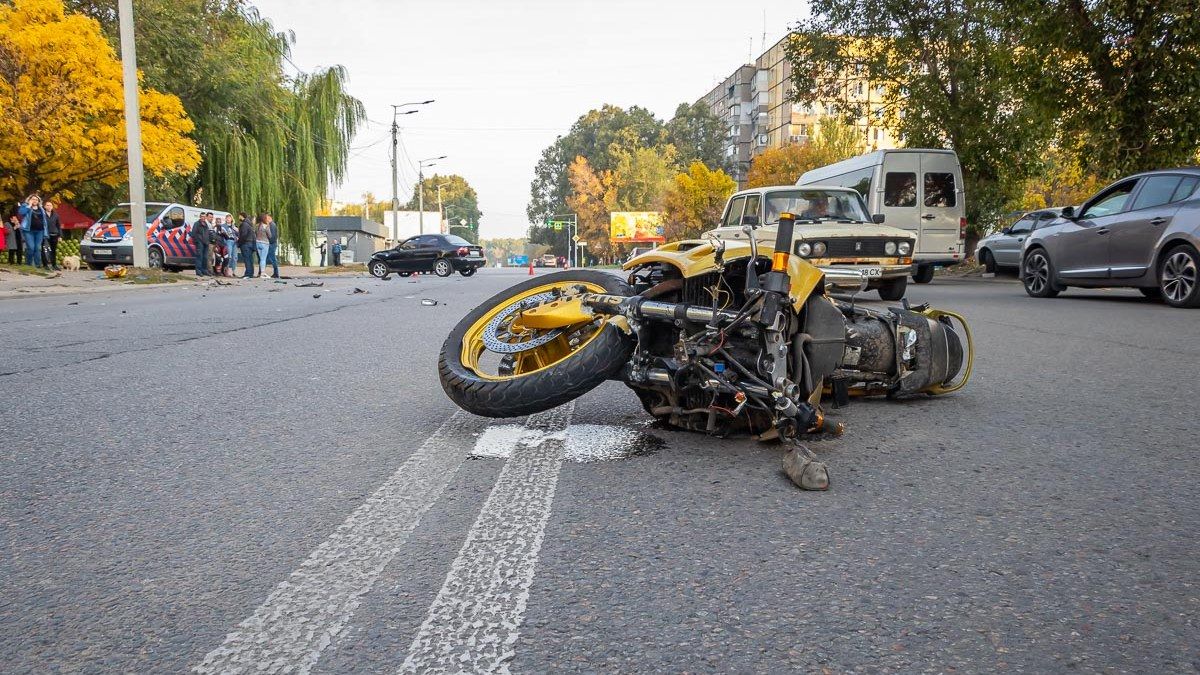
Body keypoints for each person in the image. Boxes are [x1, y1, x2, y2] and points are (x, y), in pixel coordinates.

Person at [17, 195, 48, 268]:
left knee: (37, 248)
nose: (35, 201)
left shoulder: (41, 209)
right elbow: (21, 213)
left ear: (38, 201)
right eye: (33, 199)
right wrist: (29, 205)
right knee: (31, 247)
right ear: (29, 200)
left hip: (40, 231)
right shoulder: (25, 206)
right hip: (28, 231)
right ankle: (28, 264)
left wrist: (45, 231)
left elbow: (44, 220)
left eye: (36, 200)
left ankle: (37, 265)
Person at [43, 201, 62, 270]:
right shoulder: (42, 214)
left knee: (53, 250)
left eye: (50, 205)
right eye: (47, 205)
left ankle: (54, 265)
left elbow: (58, 226)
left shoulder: (55, 215)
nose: (49, 207)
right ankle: (45, 265)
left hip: (54, 234)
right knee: (45, 250)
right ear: (45, 207)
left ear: (52, 207)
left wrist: (60, 236)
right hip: (45, 235)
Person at [190, 211, 210, 276]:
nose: (203, 218)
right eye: (202, 216)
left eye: (204, 217)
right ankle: (198, 271)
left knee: (205, 257)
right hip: (200, 243)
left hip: (206, 243)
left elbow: (207, 233)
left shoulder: (206, 224)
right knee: (199, 257)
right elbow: (193, 233)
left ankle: (204, 270)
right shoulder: (197, 224)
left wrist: (208, 241)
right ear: (200, 217)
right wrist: (197, 241)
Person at [236, 212, 255, 279]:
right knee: (250, 259)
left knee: (247, 259)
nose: (239, 217)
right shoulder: (250, 224)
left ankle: (247, 274)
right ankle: (251, 273)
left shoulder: (244, 224)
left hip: (245, 244)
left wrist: (239, 243)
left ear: (241, 216)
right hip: (250, 243)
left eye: (239, 216)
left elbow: (243, 235)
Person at [264, 213, 280, 278]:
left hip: (272, 244)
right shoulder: (271, 225)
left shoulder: (272, 225)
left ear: (270, 218)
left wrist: (269, 242)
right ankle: (275, 273)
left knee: (272, 258)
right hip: (272, 243)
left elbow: (272, 236)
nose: (265, 219)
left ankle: (276, 273)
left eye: (266, 218)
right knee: (270, 258)